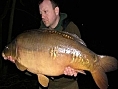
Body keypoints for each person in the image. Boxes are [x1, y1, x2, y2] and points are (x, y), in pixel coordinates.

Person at [38, 0, 82, 89]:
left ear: (56, 10)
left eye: (45, 11)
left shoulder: (70, 28)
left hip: (67, 86)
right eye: (41, 13)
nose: (42, 16)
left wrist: (75, 70)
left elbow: (81, 55)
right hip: (46, 86)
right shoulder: (40, 32)